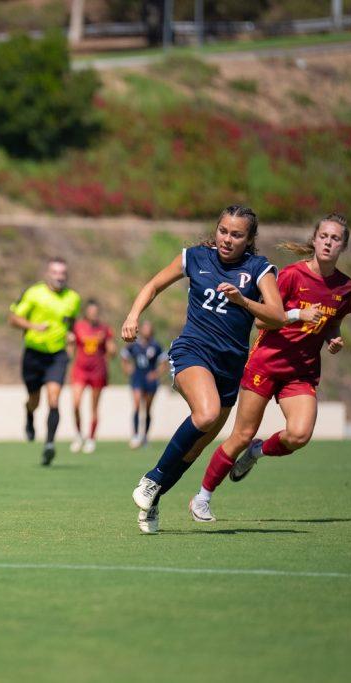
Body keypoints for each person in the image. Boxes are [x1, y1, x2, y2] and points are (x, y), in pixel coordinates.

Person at [123, 205, 284, 534]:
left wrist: (244, 302)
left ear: (249, 238)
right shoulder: (194, 257)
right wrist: (133, 316)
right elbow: (152, 285)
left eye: (237, 234)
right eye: (223, 230)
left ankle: (152, 499)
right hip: (192, 352)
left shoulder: (259, 269)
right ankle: (152, 479)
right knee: (207, 413)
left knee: (196, 447)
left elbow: (277, 316)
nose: (227, 239)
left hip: (230, 366)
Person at [190, 213, 351, 522]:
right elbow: (262, 318)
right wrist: (297, 314)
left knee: (299, 435)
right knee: (241, 434)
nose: (328, 242)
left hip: (302, 371)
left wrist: (334, 339)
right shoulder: (292, 275)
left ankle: (257, 452)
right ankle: (202, 497)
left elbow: (332, 323)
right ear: (315, 239)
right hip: (266, 363)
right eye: (324, 236)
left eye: (335, 239)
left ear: (343, 246)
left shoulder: (346, 288)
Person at [9, 258, 81, 466]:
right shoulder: (34, 293)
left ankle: (49, 444)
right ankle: (29, 414)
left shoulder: (73, 298)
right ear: (48, 274)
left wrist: (70, 337)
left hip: (57, 356)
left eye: (63, 273)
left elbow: (72, 323)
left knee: (54, 399)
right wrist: (32, 326)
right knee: (34, 401)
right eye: (55, 272)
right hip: (33, 354)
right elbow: (12, 318)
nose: (59, 276)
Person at [68, 299, 115, 454]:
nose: (93, 315)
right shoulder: (78, 326)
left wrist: (111, 350)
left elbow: (110, 349)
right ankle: (78, 435)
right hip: (80, 369)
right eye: (91, 312)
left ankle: (91, 438)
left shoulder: (104, 328)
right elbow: (71, 346)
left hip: (97, 371)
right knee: (75, 403)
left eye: (96, 312)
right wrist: (69, 346)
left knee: (94, 407)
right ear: (86, 313)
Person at [120, 320, 166, 449]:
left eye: (149, 328)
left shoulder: (156, 345)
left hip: (150, 379)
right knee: (136, 405)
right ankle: (135, 436)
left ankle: (145, 436)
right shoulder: (134, 344)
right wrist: (127, 368)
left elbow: (164, 362)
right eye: (145, 328)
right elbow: (124, 355)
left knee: (147, 408)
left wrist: (156, 374)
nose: (147, 330)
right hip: (137, 377)